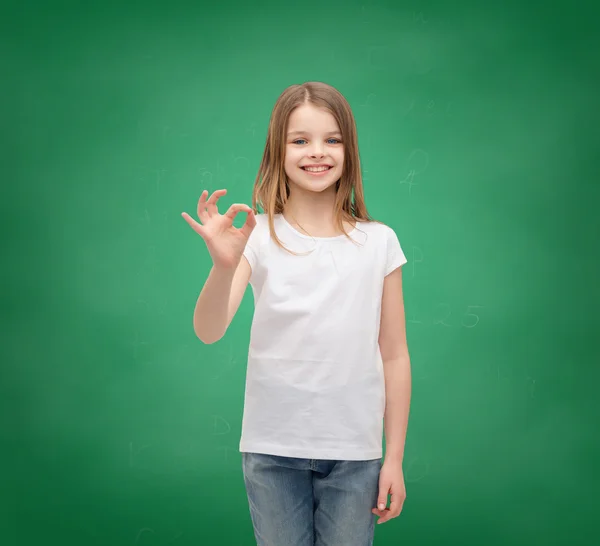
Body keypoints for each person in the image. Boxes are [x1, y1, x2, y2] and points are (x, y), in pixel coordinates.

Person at [182, 81, 412, 545]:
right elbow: (209, 330)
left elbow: (394, 356)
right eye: (300, 140)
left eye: (332, 139)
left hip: (355, 454)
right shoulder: (258, 235)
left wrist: (394, 459)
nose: (317, 152)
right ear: (278, 150)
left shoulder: (379, 242)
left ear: (348, 149)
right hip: (272, 450)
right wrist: (223, 266)